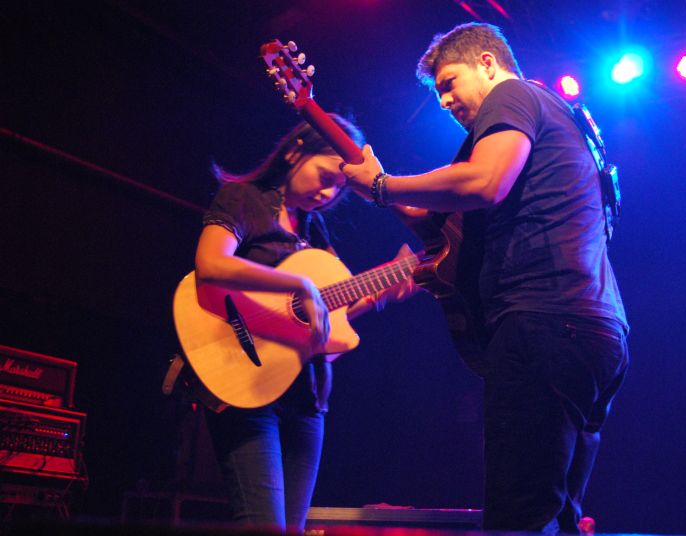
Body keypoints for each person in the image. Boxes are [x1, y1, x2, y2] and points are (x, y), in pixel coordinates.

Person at [341, 23, 630, 533]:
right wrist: (383, 192)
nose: (445, 100)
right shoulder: (563, 118)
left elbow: (485, 182)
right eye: (438, 93)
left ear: (488, 64)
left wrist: (384, 186)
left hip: (543, 323)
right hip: (596, 332)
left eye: (450, 82)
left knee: (516, 515)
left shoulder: (512, 95)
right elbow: (450, 224)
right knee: (556, 516)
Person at [193, 115, 414, 531]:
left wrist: (387, 292)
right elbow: (210, 264)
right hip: (246, 385)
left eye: (340, 187)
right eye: (325, 176)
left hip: (307, 396)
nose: (329, 193)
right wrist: (297, 284)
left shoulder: (315, 228)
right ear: (295, 152)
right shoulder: (243, 199)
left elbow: (330, 311)